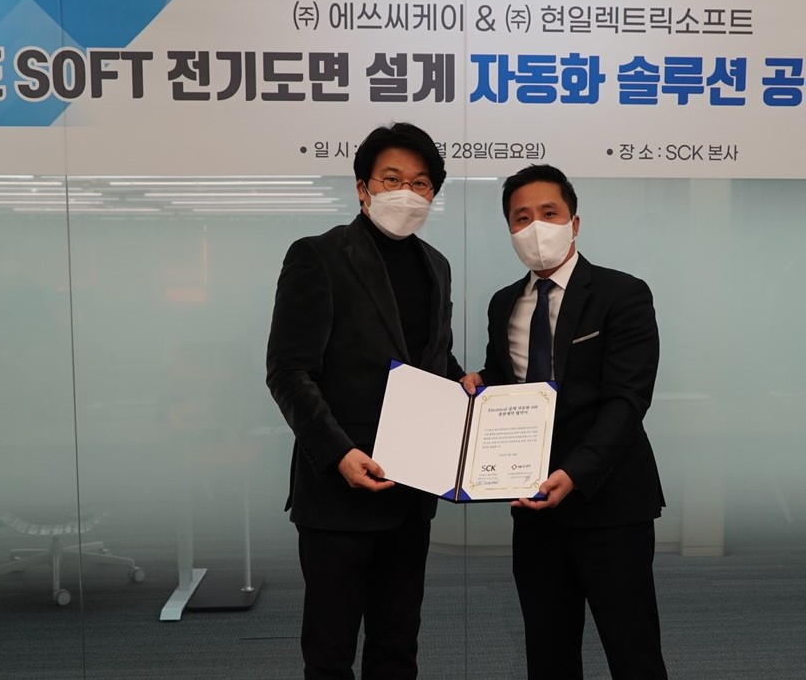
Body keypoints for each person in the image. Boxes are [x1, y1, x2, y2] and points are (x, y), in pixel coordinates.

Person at [266, 122, 465, 679]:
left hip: (411, 489)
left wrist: (462, 383)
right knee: (330, 652)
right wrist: (339, 453)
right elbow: (288, 370)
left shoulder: (436, 265)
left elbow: (430, 359)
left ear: (433, 194)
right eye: (391, 179)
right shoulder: (318, 256)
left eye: (420, 183)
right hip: (340, 492)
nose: (407, 192)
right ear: (362, 188)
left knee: (397, 646)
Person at [461, 164, 668, 679]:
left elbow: (627, 400)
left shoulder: (623, 294)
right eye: (521, 217)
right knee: (548, 652)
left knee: (633, 652)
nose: (535, 227)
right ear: (509, 229)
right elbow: (509, 378)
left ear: (574, 222)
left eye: (549, 213)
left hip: (609, 501)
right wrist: (479, 384)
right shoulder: (503, 304)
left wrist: (574, 473)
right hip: (533, 504)